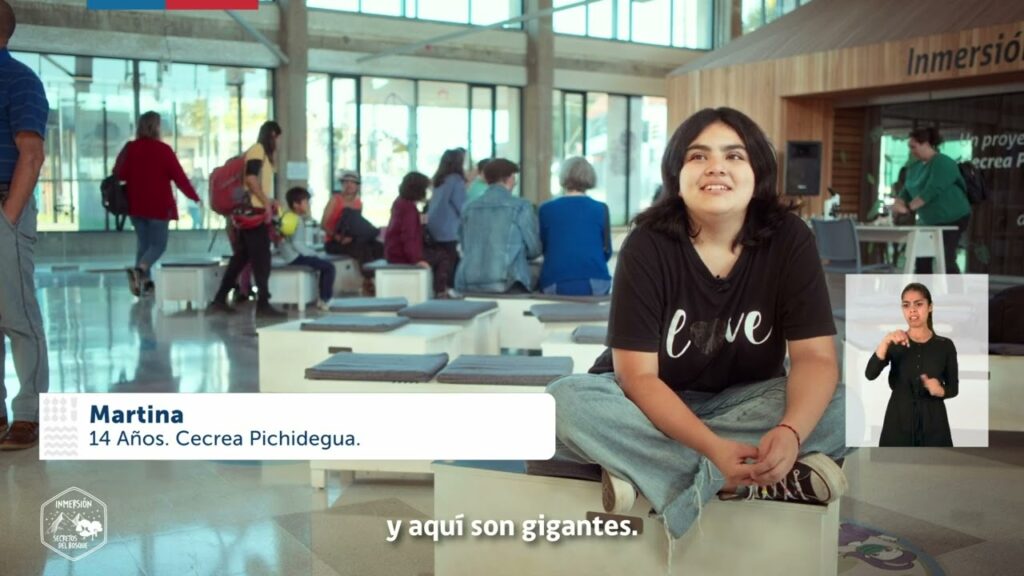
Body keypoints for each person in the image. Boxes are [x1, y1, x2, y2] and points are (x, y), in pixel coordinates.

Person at [545, 108, 848, 541]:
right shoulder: (647, 243)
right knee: (563, 401)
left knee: (849, 407)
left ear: (758, 171)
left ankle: (647, 469)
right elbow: (637, 377)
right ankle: (733, 478)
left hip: (743, 403)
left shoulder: (790, 239)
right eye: (698, 156)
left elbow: (815, 358)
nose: (716, 167)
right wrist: (712, 449)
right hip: (642, 405)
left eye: (734, 156)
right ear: (677, 173)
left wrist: (789, 432)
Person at [0, 0, 49, 450]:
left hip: (4, 207)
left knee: (18, 317)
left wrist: (8, 217)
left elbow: (31, 154)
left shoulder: (20, 79)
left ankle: (30, 413)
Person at [114, 111, 201, 296]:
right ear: (157, 127)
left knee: (144, 245)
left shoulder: (130, 148)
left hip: (136, 206)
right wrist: (194, 197)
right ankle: (140, 271)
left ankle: (143, 284)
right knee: (158, 245)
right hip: (159, 206)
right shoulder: (163, 150)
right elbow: (179, 178)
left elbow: (119, 173)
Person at [865, 283, 958, 447]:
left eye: (918, 304)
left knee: (936, 463)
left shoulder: (945, 345)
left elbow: (953, 388)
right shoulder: (895, 342)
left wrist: (940, 390)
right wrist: (885, 342)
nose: (912, 310)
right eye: (906, 305)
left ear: (930, 307)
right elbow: (870, 374)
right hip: (898, 420)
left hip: (934, 422)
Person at [209, 121, 286, 318]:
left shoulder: (262, 154)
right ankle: (263, 304)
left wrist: (268, 200)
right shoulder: (258, 150)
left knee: (241, 258)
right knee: (262, 259)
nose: (279, 143)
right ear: (272, 135)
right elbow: (251, 179)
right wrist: (265, 201)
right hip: (252, 215)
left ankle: (219, 299)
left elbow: (255, 183)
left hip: (251, 212)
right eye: (278, 138)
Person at [455, 158, 541, 294]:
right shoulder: (521, 206)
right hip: (509, 283)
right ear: (510, 178)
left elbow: (464, 246)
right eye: (514, 178)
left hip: (468, 282)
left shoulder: (468, 207)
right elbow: (534, 250)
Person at [892, 127, 971, 274]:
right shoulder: (914, 167)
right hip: (928, 220)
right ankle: (923, 288)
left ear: (926, 144)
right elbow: (906, 191)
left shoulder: (944, 163)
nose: (911, 151)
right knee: (921, 259)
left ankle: (954, 288)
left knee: (946, 258)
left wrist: (908, 208)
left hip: (952, 217)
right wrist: (899, 203)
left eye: (913, 147)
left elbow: (931, 192)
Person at [538, 156, 612, 296]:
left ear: (563, 177)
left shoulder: (546, 209)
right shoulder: (601, 209)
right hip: (597, 281)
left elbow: (544, 248)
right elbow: (607, 251)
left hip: (555, 281)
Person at [384, 172, 453, 297]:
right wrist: (417, 260)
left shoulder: (399, 202)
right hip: (402, 255)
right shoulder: (409, 209)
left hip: (393, 252)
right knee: (443, 257)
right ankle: (440, 291)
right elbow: (409, 237)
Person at [322, 170, 383, 295]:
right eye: (346, 182)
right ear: (342, 185)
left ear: (357, 186)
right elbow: (323, 224)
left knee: (378, 246)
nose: (349, 185)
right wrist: (337, 237)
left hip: (351, 239)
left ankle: (378, 279)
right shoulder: (335, 200)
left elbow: (355, 225)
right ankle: (368, 281)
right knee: (362, 248)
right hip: (333, 242)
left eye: (352, 182)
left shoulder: (358, 203)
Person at [279, 187, 336, 311]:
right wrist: (313, 254)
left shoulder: (287, 216)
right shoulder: (297, 220)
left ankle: (322, 298)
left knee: (323, 265)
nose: (308, 205)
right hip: (295, 257)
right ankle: (325, 299)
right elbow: (297, 245)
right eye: (306, 202)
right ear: (296, 204)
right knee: (329, 267)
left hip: (289, 256)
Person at [426, 148, 467, 292]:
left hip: (434, 228)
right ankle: (449, 291)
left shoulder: (439, 180)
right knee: (451, 264)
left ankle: (439, 290)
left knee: (441, 263)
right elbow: (462, 206)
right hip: (449, 231)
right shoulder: (456, 180)